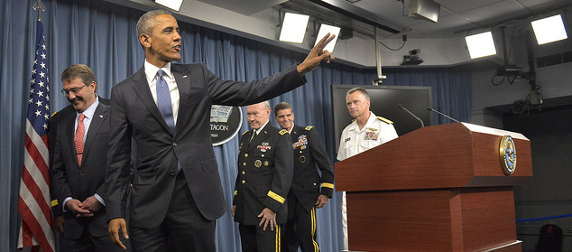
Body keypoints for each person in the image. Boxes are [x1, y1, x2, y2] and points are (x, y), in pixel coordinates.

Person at [105, 9, 335, 252]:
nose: (177, 37)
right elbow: (117, 158)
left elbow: (250, 91)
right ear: (145, 39)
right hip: (148, 202)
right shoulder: (123, 92)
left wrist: (299, 70)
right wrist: (115, 211)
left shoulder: (197, 75)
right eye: (168, 31)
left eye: (178, 31)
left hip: (195, 199)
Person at [50, 64, 121, 252]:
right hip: (74, 228)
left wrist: (100, 197)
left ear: (92, 86)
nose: (70, 96)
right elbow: (57, 170)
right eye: (66, 91)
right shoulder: (61, 122)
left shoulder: (116, 116)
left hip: (108, 222)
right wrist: (66, 200)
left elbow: (126, 165)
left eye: (75, 90)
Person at [336, 87, 398, 250]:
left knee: (379, 235)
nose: (352, 106)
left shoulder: (384, 127)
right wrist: (343, 194)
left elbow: (395, 161)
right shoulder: (347, 131)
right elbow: (343, 164)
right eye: (349, 103)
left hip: (378, 192)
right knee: (351, 237)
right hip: (351, 194)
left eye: (356, 102)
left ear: (367, 103)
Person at [232, 101, 293, 251]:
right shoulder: (246, 137)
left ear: (267, 112)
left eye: (255, 114)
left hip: (267, 212)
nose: (251, 118)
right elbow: (242, 173)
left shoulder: (279, 136)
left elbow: (283, 176)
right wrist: (236, 201)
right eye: (248, 114)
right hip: (246, 209)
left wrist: (272, 207)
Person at [274, 102, 334, 252]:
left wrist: (325, 192)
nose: (285, 119)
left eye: (288, 115)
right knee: (286, 242)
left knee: (307, 239)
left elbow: (325, 164)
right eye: (281, 117)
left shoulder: (306, 133)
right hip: (284, 199)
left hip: (306, 196)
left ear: (293, 116)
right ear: (276, 119)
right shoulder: (274, 138)